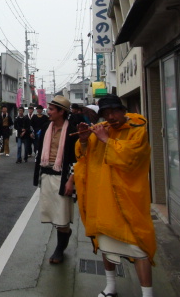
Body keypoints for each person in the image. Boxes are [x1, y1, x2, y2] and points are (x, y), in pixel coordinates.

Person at [74, 94, 155, 297]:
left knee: (139, 248)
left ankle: (147, 294)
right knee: (106, 245)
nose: (110, 117)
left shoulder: (137, 130)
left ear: (123, 110)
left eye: (113, 112)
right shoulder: (102, 131)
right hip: (104, 200)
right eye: (105, 114)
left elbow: (133, 158)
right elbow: (85, 158)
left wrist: (106, 140)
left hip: (128, 200)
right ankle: (110, 286)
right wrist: (84, 140)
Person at [32, 96, 78, 265]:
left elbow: (76, 158)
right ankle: (63, 236)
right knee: (52, 213)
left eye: (51, 109)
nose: (48, 112)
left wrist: (71, 181)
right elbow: (39, 153)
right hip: (47, 174)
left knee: (62, 215)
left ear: (61, 112)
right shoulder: (46, 127)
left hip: (63, 177)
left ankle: (60, 248)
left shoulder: (72, 130)